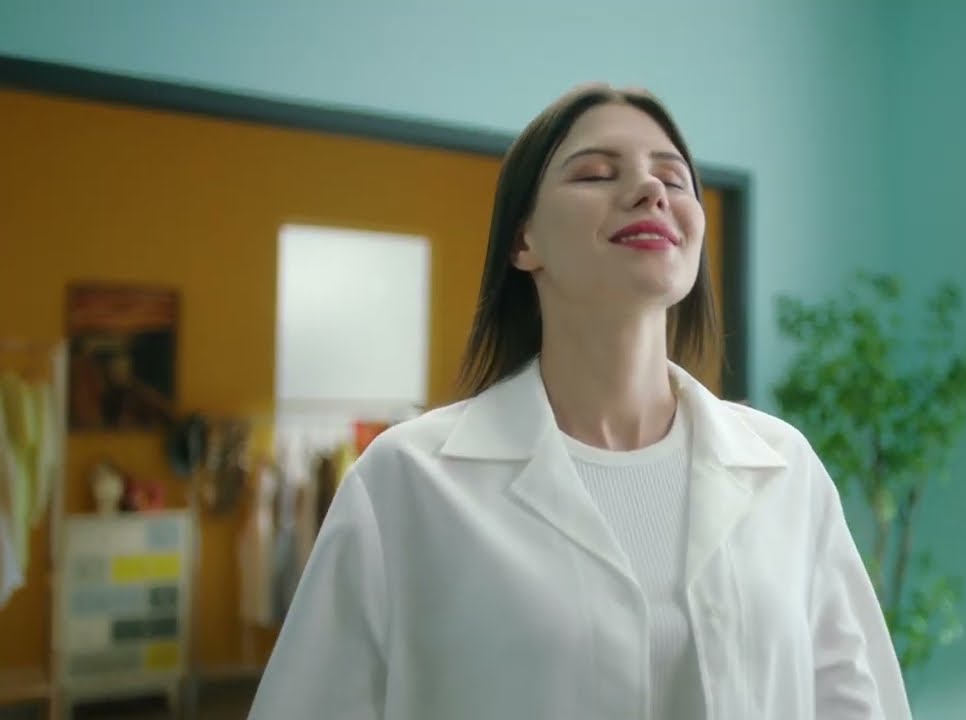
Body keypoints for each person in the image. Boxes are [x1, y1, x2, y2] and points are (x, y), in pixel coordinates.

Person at [247, 83, 911, 720]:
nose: (650, 190)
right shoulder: (407, 480)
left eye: (674, 179)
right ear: (523, 241)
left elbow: (858, 704)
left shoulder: (785, 470)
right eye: (595, 173)